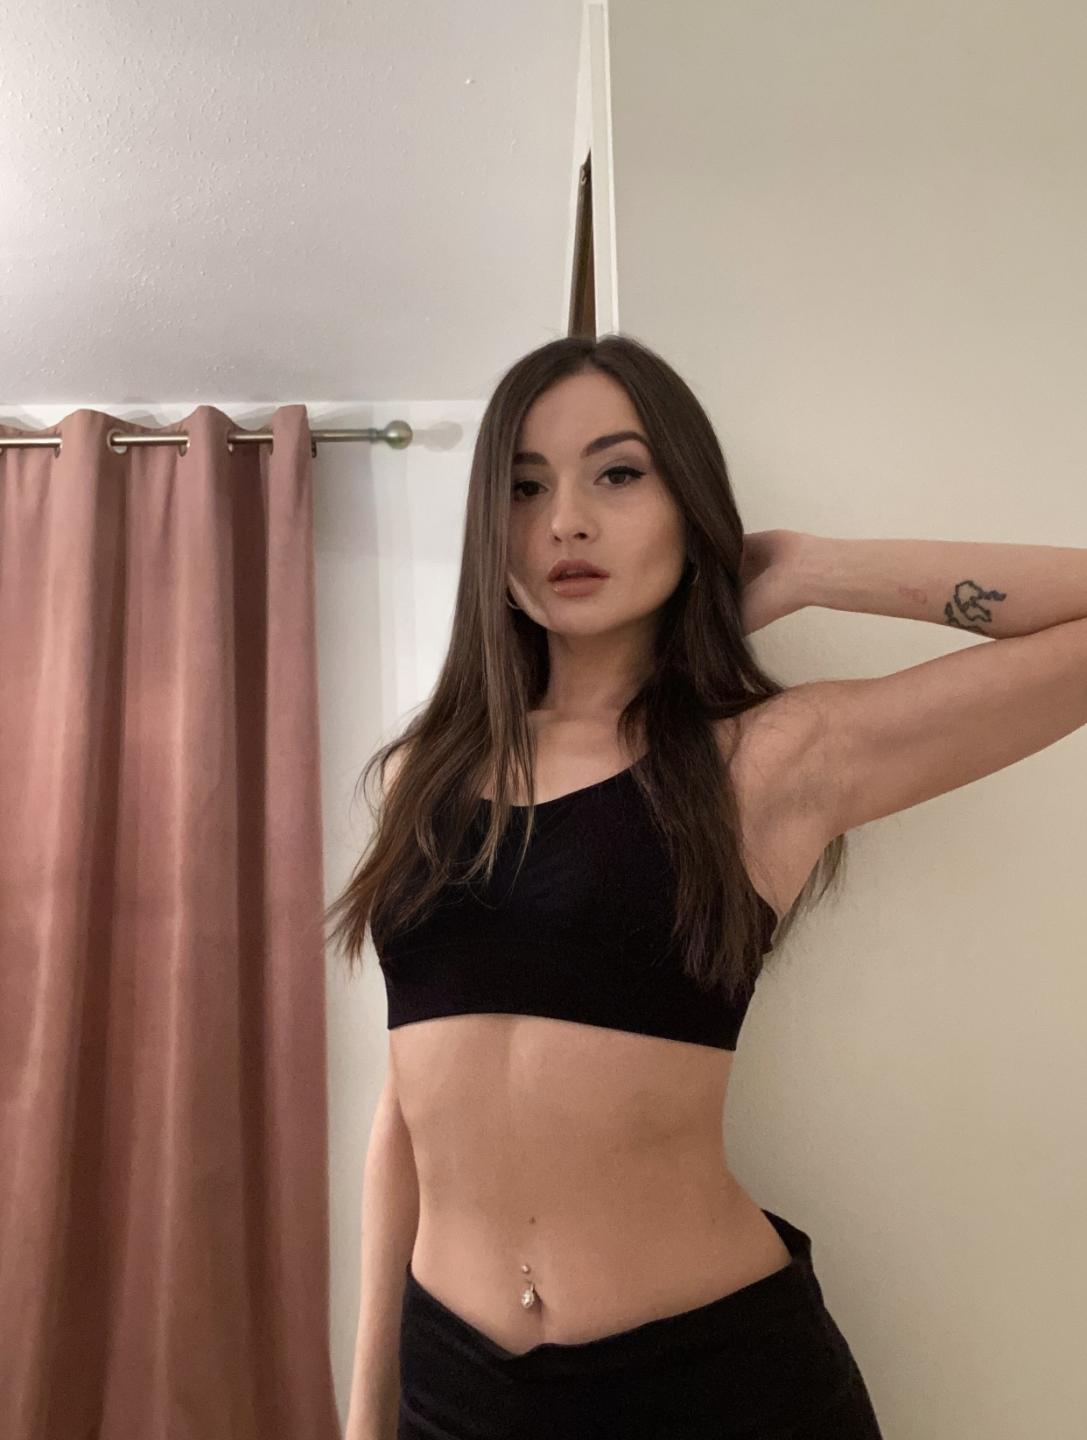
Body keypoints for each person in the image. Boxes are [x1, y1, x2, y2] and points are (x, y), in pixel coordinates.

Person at [330, 332, 885, 1438]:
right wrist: (363, 1416)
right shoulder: (420, 774)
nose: (564, 522)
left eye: (618, 474)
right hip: (456, 1387)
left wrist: (806, 568)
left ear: (690, 506)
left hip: (714, 1386)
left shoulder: (763, 759)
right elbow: (406, 1112)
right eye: (523, 487)